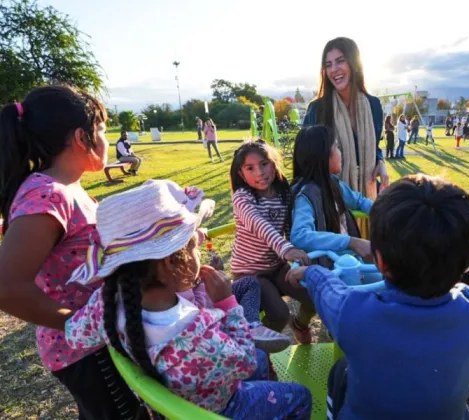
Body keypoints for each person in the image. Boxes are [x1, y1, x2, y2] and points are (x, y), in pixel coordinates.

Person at [64, 180, 312, 419]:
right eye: (194, 246)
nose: (199, 251)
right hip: (221, 407)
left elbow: (74, 334)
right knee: (300, 394)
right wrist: (228, 304)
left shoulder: (107, 303)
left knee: (261, 360)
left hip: (175, 404)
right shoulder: (196, 335)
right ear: (171, 263)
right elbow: (245, 360)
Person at [287, 174, 469, 419]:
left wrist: (311, 270)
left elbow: (329, 291)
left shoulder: (355, 315)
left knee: (340, 371)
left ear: (379, 260)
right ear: (466, 260)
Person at [0, 86, 146, 419]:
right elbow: (7, 288)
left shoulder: (67, 188)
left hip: (96, 339)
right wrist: (78, 325)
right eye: (102, 130)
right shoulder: (48, 194)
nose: (106, 140)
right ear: (82, 137)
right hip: (83, 351)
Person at [144, 179, 292, 354]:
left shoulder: (162, 267)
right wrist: (224, 298)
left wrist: (201, 236)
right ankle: (246, 332)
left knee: (250, 283)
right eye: (195, 250)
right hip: (216, 319)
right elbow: (204, 311)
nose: (198, 253)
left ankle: (252, 325)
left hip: (210, 298)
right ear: (174, 262)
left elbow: (192, 239)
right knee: (262, 360)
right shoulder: (180, 300)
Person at [229, 141, 315, 344]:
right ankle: (256, 351)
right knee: (279, 313)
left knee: (314, 296)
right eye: (250, 168)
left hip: (276, 267)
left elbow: (289, 228)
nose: (259, 172)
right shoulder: (243, 198)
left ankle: (300, 323)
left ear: (274, 164)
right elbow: (260, 226)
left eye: (264, 164)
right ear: (242, 175)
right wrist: (287, 249)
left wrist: (297, 250)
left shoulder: (284, 193)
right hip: (250, 272)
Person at [303, 37, 389, 200]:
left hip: (368, 192)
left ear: (354, 64)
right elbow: (306, 160)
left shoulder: (373, 105)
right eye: (328, 65)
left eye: (340, 61)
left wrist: (380, 162)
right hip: (330, 198)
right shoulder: (317, 109)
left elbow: (374, 146)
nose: (334, 69)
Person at [290, 125, 373, 261]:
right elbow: (300, 236)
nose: (341, 153)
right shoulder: (305, 196)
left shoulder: (332, 183)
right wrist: (352, 242)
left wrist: (386, 213)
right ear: (323, 155)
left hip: (348, 262)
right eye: (337, 147)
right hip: (328, 271)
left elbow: (359, 201)